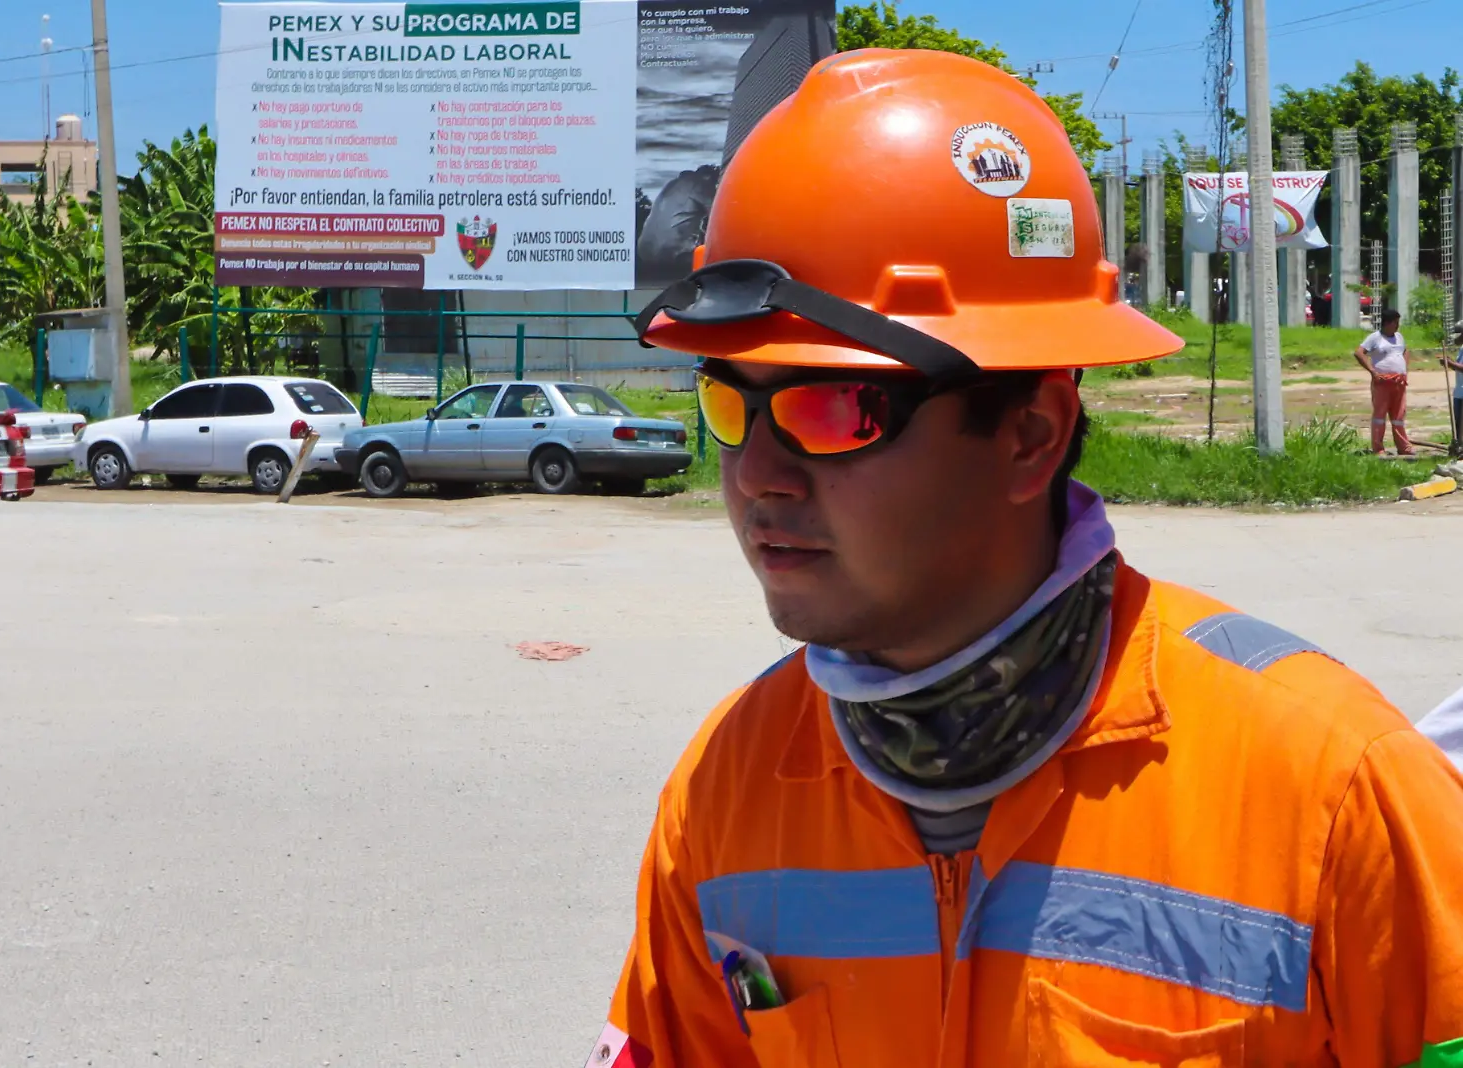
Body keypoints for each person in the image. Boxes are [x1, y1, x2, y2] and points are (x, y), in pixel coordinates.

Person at [585, 49, 1463, 1068]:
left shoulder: (1331, 787)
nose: (756, 476)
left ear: (1029, 435)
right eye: (728, 403)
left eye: (834, 407)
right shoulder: (728, 785)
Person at [1357, 308, 1413, 455]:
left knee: (1399, 416)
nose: (1397, 325)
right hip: (1382, 382)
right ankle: (1378, 448)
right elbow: (1359, 353)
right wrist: (1372, 371)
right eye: (1395, 322)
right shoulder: (1375, 338)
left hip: (1399, 382)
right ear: (1387, 323)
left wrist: (1404, 369)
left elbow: (1405, 351)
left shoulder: (1399, 337)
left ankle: (1403, 447)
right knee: (1380, 416)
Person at [1442, 319, 1463, 448]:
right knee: (1458, 425)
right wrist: (1450, 363)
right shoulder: (1461, 348)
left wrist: (1450, 364)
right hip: (1459, 392)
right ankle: (1459, 447)